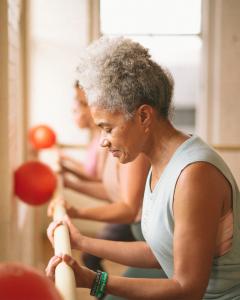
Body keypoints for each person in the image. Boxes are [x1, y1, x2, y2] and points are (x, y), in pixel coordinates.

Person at [46, 36, 240, 299]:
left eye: (108, 128)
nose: (103, 140)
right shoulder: (159, 162)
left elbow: (188, 288)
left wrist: (96, 281)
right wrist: (82, 241)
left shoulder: (194, 175)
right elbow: (159, 251)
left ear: (144, 116)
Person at [49, 80, 151, 274]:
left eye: (108, 128)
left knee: (91, 259)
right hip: (141, 235)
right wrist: (69, 184)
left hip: (147, 237)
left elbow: (128, 207)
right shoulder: (117, 145)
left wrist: (77, 212)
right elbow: (110, 189)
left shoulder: (134, 150)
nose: (103, 141)